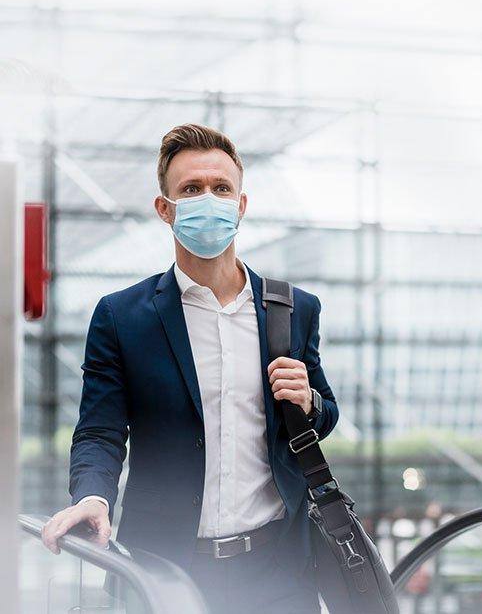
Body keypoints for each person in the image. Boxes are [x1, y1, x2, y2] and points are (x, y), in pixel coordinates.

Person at [41, 123, 338, 613]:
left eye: (222, 188)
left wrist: (310, 401)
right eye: (191, 189)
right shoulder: (121, 317)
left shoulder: (292, 309)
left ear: (241, 205)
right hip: (165, 569)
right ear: (165, 208)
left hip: (278, 570)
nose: (209, 199)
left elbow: (326, 415)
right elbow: (99, 430)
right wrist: (94, 496)